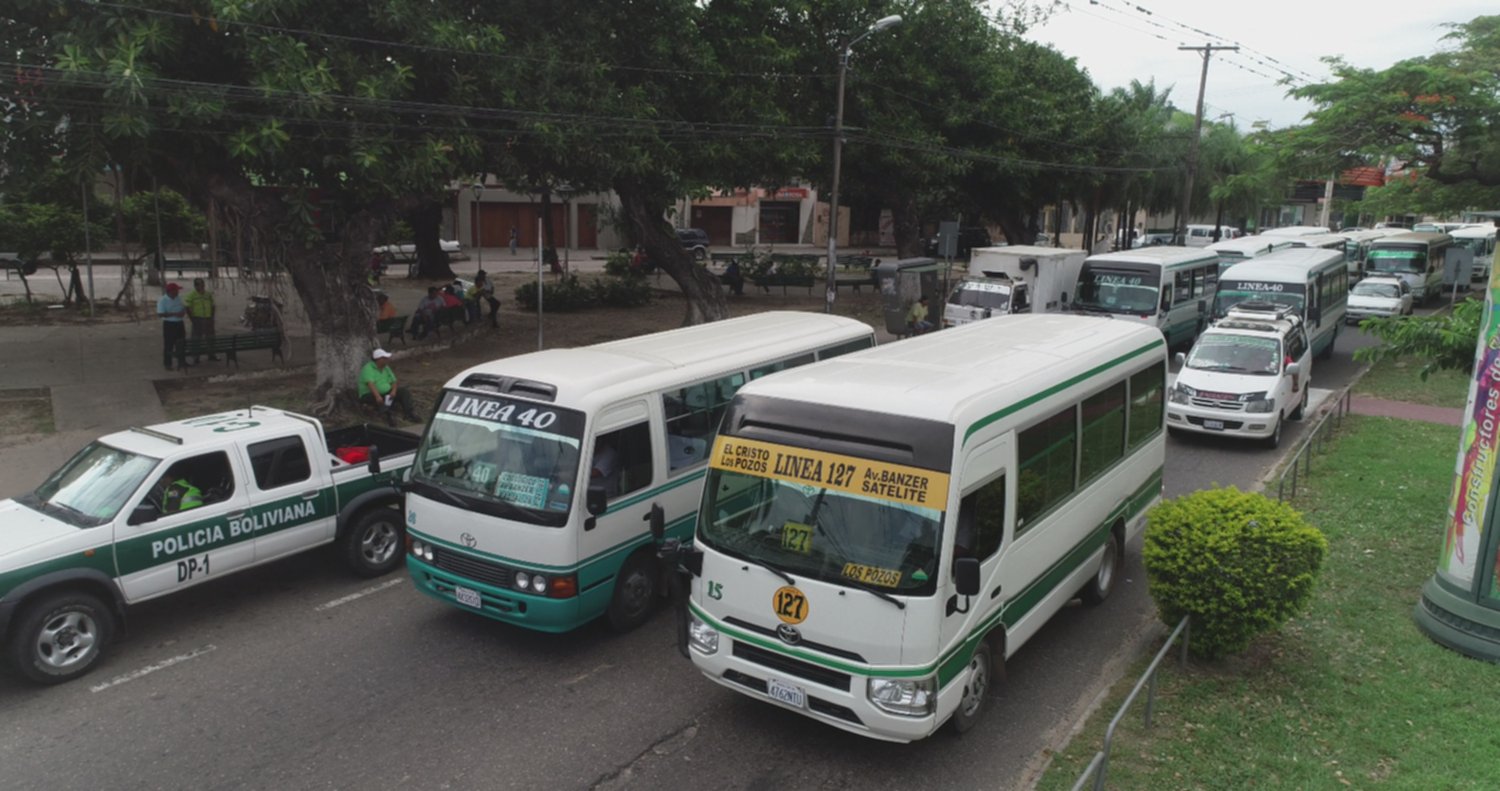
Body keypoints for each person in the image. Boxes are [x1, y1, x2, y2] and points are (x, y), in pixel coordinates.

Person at [359, 349, 419, 425]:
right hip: (370, 394)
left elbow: (394, 381)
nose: (387, 360)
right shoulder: (368, 368)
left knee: (404, 392)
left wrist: (393, 391)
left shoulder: (386, 367)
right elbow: (370, 384)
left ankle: (409, 413)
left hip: (386, 393)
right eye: (385, 358)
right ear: (379, 359)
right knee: (380, 400)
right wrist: (377, 396)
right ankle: (389, 417)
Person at [182, 278, 218, 363]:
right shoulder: (191, 295)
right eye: (200, 285)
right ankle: (195, 356)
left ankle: (211, 354)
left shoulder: (208, 294)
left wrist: (212, 317)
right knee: (196, 338)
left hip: (208, 318)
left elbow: (213, 305)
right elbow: (187, 307)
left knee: (210, 337)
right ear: (195, 286)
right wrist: (192, 319)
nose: (202, 287)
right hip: (198, 318)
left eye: (203, 285)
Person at [157, 282, 189, 370]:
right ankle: (168, 363)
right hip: (169, 324)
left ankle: (182, 361)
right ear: (171, 291)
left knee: (181, 343)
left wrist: (183, 312)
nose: (178, 292)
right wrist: (174, 314)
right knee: (169, 344)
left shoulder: (178, 298)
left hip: (179, 322)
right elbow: (160, 314)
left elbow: (183, 307)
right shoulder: (163, 300)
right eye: (176, 290)